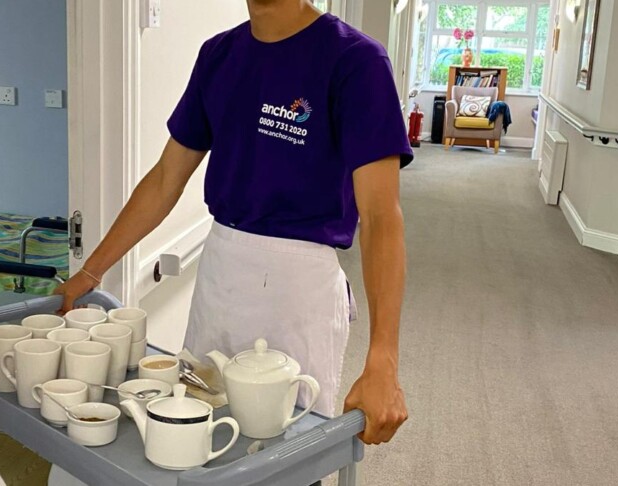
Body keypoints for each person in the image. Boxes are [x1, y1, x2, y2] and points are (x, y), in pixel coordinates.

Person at [56, 0, 412, 447]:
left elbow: (381, 218)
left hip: (297, 289)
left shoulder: (356, 61)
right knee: (198, 430)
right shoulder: (220, 55)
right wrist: (90, 270)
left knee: (283, 451)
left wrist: (383, 361)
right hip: (220, 278)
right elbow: (167, 178)